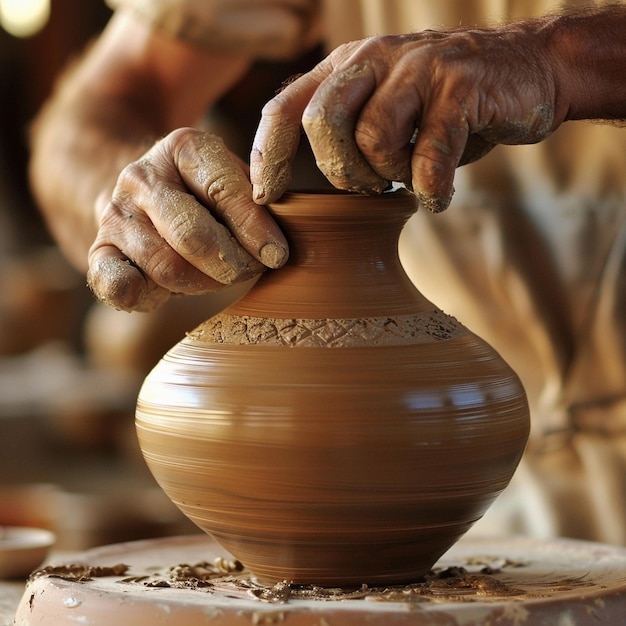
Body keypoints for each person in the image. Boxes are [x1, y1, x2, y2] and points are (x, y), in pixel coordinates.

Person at [29, 0, 626, 545]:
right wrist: (130, 194)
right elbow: (94, 115)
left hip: (461, 432)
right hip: (454, 497)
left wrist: (561, 58)